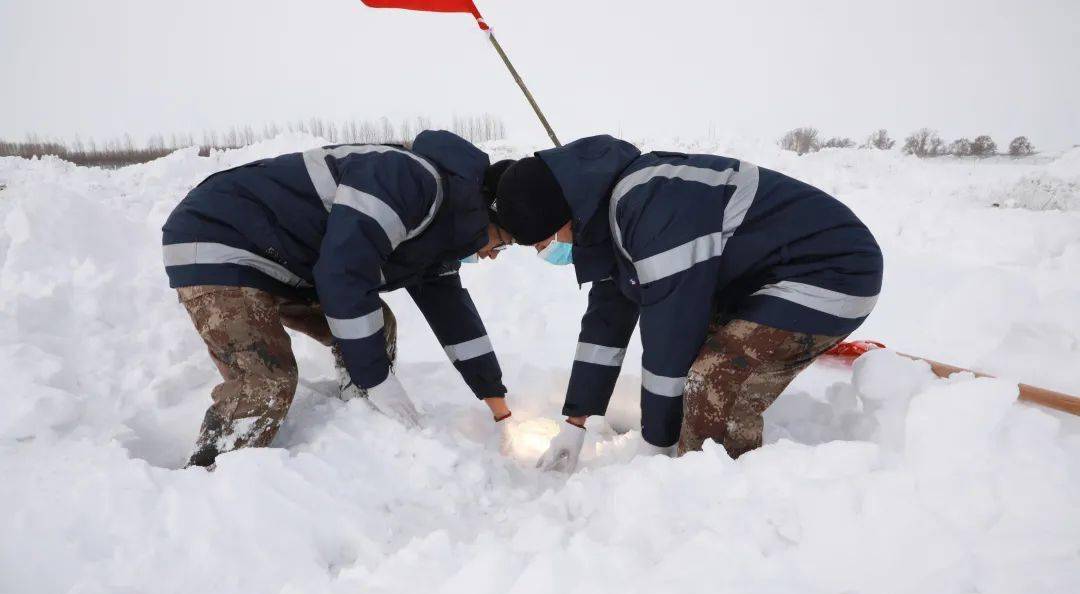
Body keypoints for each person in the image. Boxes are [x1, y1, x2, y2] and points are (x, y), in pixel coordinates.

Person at [493, 136, 883, 472]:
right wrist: (574, 423)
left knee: (714, 380)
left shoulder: (653, 211)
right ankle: (698, 465)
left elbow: (670, 339)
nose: (546, 252)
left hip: (831, 274)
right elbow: (605, 325)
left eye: (543, 242)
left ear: (564, 218)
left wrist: (656, 449)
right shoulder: (612, 218)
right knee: (697, 369)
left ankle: (721, 496)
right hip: (769, 278)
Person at [163, 130, 513, 467]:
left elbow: (454, 318)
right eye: (502, 242)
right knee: (266, 383)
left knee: (377, 325)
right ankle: (209, 474)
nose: (494, 254)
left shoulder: (442, 230)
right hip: (218, 240)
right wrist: (378, 379)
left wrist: (499, 407)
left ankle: (359, 415)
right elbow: (343, 275)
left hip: (283, 262)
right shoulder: (406, 180)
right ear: (487, 216)